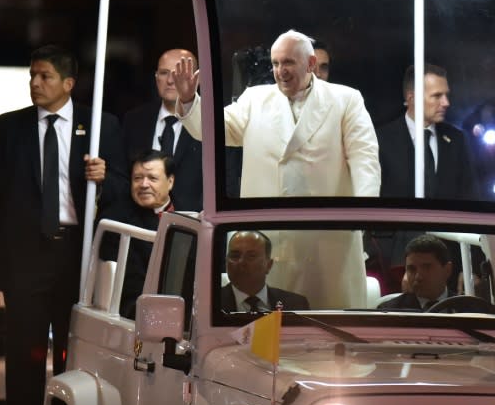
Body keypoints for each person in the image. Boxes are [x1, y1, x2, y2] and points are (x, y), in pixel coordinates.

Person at [0, 44, 128, 405]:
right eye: (32, 76)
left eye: (45, 76)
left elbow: (123, 188)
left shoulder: (101, 125)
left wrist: (104, 178)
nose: (35, 83)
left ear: (68, 83)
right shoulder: (10, 126)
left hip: (78, 256)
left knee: (75, 353)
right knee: (24, 352)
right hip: (24, 256)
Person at [174, 29, 380, 308]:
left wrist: (362, 213)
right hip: (270, 242)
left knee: (327, 327)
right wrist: (189, 100)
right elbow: (212, 131)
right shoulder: (254, 99)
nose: (280, 71)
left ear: (309, 64)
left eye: (288, 63)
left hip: (328, 241)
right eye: (275, 64)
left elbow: (365, 159)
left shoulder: (345, 100)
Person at [377, 63, 475, 199]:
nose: (446, 102)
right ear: (412, 99)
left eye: (446, 95)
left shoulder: (457, 139)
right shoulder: (380, 140)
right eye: (437, 96)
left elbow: (469, 195)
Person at [122, 48, 202, 211]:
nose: (171, 81)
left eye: (178, 74)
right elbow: (124, 174)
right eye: (164, 73)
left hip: (194, 224)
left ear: (196, 79)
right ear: (156, 77)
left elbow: (227, 181)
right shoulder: (134, 120)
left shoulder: (211, 123)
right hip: (139, 223)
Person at [107, 149, 176, 319]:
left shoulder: (189, 216)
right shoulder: (117, 219)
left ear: (170, 181)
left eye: (152, 178)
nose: (144, 184)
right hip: (135, 310)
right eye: (137, 178)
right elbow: (130, 282)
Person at [221, 231, 310, 312]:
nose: (241, 262)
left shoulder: (296, 304)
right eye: (235, 255)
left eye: (251, 256)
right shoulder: (210, 302)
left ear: (268, 265)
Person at [378, 234, 455, 310]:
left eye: (426, 267)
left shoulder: (464, 307)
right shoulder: (389, 311)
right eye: (412, 269)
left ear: (447, 270)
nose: (418, 277)